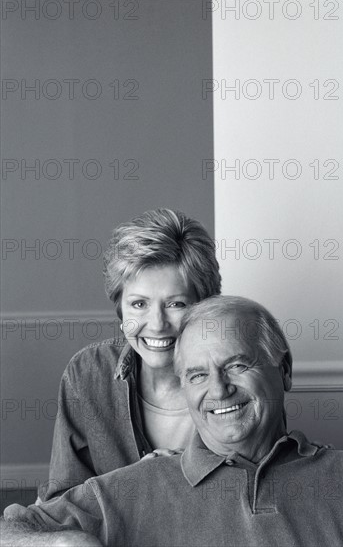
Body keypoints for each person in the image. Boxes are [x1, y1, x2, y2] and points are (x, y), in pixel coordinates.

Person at [3, 296, 343, 547]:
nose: (219, 390)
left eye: (237, 365)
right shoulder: (129, 491)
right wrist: (67, 542)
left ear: (283, 371)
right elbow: (12, 529)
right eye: (197, 376)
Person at [37, 208, 221, 501]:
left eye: (176, 304)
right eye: (139, 304)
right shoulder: (87, 374)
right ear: (120, 311)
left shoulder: (239, 378)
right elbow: (62, 499)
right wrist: (133, 483)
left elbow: (253, 495)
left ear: (204, 307)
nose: (158, 324)